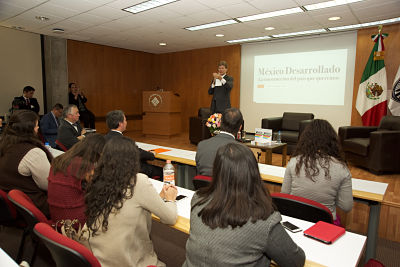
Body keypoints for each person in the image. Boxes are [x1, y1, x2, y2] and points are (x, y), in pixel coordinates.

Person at [184, 143, 305, 267]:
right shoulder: (263, 220)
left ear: (217, 171)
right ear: (253, 173)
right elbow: (296, 261)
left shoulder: (198, 199)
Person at [83, 137, 178, 267]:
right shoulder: (137, 181)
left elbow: (127, 203)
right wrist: (170, 199)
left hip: (98, 257)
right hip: (128, 260)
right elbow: (170, 218)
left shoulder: (98, 179)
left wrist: (158, 197)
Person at [281, 119, 353, 222]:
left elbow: (285, 193)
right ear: (333, 141)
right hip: (324, 224)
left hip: (296, 220)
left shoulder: (293, 162)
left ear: (305, 140)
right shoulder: (342, 168)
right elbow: (346, 206)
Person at [0, 110, 53, 217]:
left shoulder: (4, 145)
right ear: (28, 129)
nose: (38, 128)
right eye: (36, 125)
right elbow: (49, 185)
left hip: (14, 205)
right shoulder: (33, 153)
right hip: (36, 206)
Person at [47, 134, 105, 226]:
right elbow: (99, 192)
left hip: (57, 216)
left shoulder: (60, 159)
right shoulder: (84, 167)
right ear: (97, 152)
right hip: (75, 222)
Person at [105, 110, 163, 179]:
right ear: (120, 124)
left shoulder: (103, 139)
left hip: (112, 172)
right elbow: (138, 153)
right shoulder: (125, 141)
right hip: (129, 171)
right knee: (162, 171)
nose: (126, 123)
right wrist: (152, 154)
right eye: (125, 120)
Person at [196, 107, 242, 177]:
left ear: (220, 123)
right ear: (240, 128)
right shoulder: (241, 150)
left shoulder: (201, 145)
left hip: (204, 187)